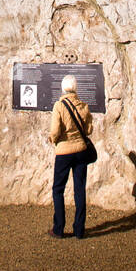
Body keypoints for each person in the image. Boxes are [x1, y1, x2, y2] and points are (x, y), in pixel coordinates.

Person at [48, 73, 93, 239]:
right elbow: (88, 130)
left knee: (58, 189)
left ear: (63, 88)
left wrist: (53, 139)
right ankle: (79, 230)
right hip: (81, 151)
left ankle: (59, 228)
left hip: (64, 152)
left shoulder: (59, 106)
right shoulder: (84, 106)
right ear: (76, 88)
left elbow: (55, 131)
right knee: (79, 190)